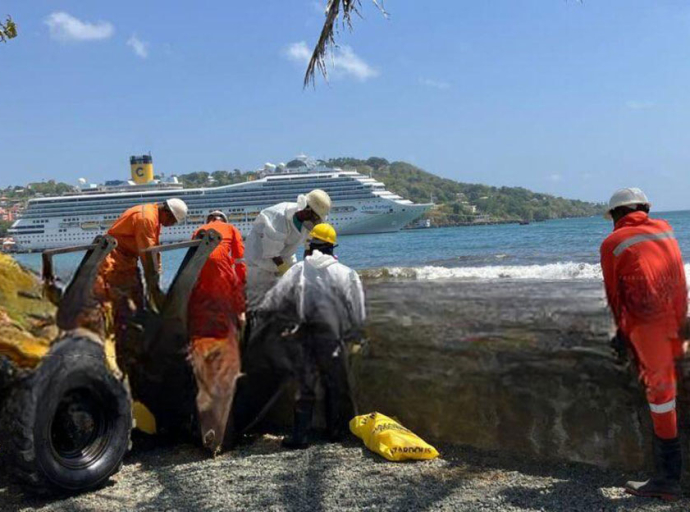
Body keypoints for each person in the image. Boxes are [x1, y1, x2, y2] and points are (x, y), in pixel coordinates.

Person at [600, 187, 688, 501]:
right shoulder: (666, 230)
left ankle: (667, 480)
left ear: (614, 216)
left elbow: (615, 297)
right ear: (645, 208)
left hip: (651, 330)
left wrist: (619, 336)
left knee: (662, 403)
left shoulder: (612, 243)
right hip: (680, 321)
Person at [257, 223, 366, 449]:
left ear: (310, 246)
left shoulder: (298, 271)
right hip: (333, 336)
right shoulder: (347, 273)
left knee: (305, 388)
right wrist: (356, 335)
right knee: (333, 386)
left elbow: (273, 301)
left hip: (303, 336)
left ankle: (300, 437)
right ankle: (334, 432)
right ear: (331, 248)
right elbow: (357, 310)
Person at [87, 199, 187, 371]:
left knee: (134, 305)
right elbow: (147, 253)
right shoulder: (146, 217)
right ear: (167, 213)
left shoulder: (152, 215)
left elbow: (153, 250)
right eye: (172, 222)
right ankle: (125, 354)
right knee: (126, 308)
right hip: (115, 263)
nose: (170, 226)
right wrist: (153, 284)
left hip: (126, 262)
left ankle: (132, 347)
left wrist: (157, 274)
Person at [187, 210, 245, 452]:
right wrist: (242, 307)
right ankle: (225, 438)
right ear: (223, 220)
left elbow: (189, 270)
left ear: (209, 221)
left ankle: (205, 435)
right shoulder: (231, 230)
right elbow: (240, 267)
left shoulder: (197, 232)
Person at [244, 189, 331, 312]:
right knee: (259, 304)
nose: (314, 220)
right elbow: (272, 253)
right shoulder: (279, 217)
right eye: (314, 216)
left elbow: (308, 246)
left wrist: (308, 269)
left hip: (285, 258)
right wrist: (286, 272)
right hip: (260, 262)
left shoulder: (307, 222)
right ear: (306, 209)